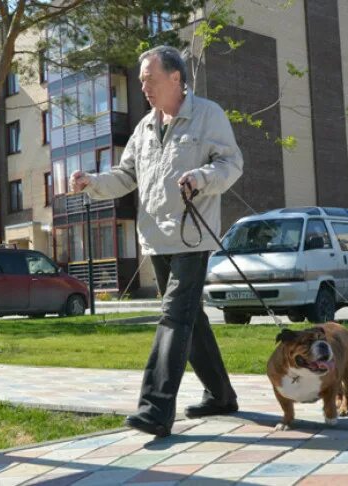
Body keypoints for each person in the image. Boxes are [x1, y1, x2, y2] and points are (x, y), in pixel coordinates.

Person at [70, 46, 243, 437]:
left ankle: (154, 409)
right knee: (190, 319)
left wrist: (200, 178)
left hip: (192, 237)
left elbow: (231, 164)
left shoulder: (207, 114)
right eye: (141, 79)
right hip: (155, 239)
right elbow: (127, 174)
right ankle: (221, 396)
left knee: (174, 316)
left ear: (176, 78)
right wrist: (92, 183)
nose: (142, 85)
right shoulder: (145, 127)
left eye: (149, 78)